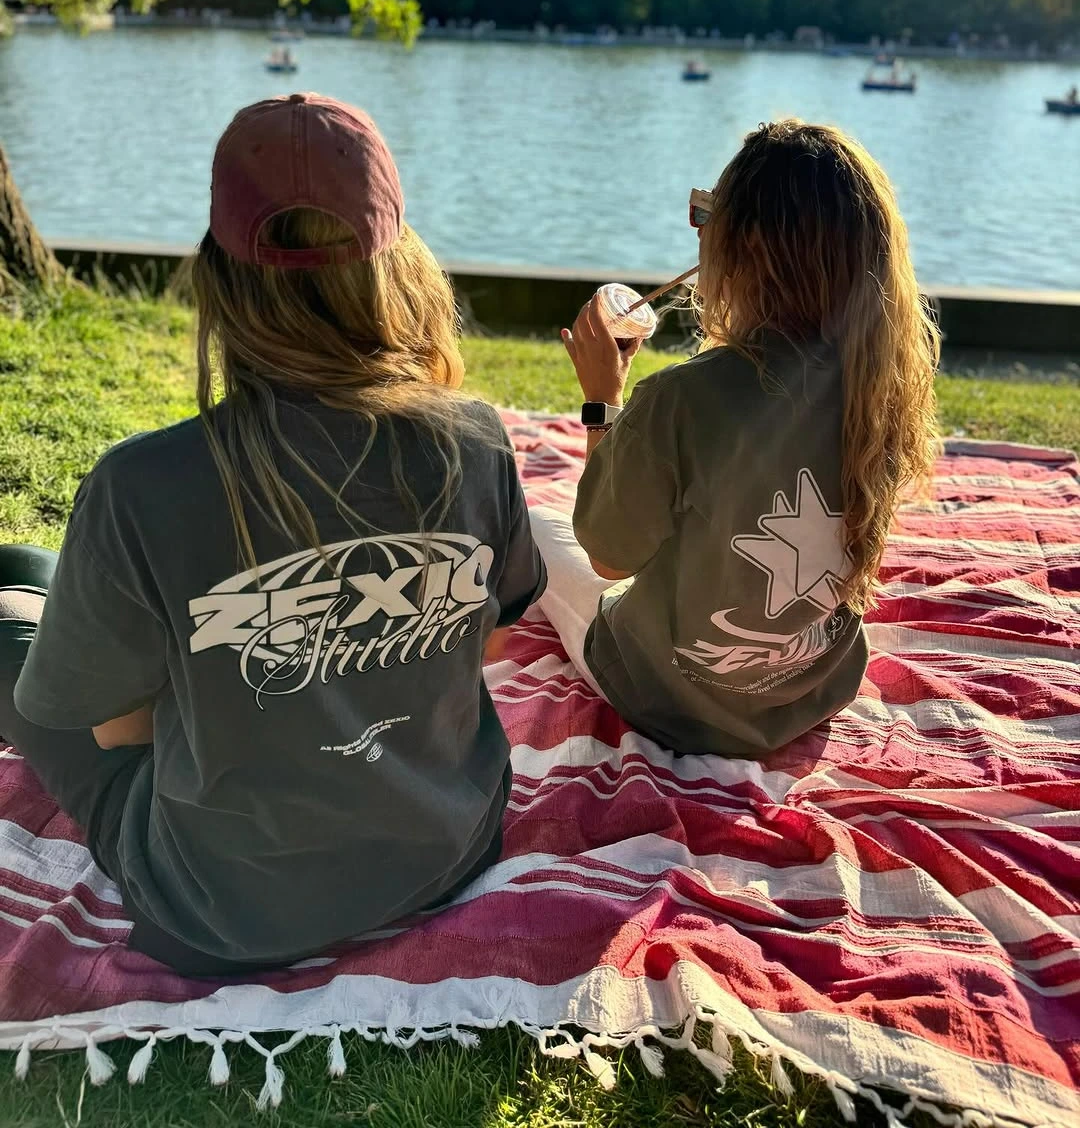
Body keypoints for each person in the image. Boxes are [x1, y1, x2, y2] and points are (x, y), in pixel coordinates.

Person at [0, 92, 545, 975]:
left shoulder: (140, 488)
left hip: (222, 903)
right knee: (24, 564)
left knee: (12, 633)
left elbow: (113, 735)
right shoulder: (477, 441)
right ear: (399, 261)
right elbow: (497, 635)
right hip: (448, 847)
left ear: (218, 272)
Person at [529, 118, 939, 758]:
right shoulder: (880, 381)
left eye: (706, 216)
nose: (698, 232)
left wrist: (603, 403)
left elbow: (609, 558)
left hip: (669, 696)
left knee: (537, 528)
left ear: (743, 247)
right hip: (813, 687)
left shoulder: (679, 402)